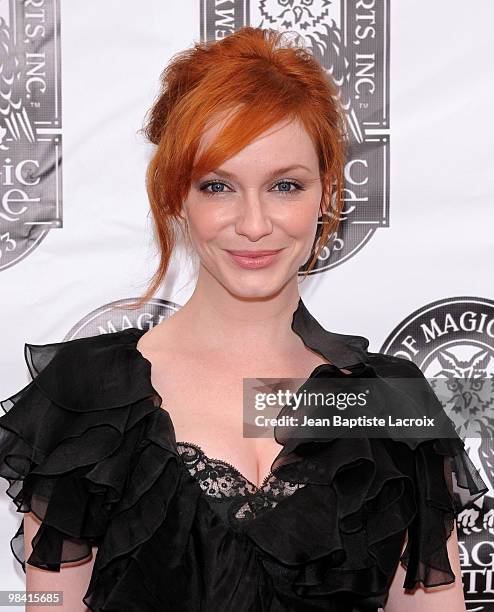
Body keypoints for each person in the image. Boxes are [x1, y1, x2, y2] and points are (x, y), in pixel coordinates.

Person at [0, 26, 487, 612]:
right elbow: (51, 602)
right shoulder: (87, 396)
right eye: (218, 186)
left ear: (326, 193)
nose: (253, 223)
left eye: (285, 185)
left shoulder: (389, 400)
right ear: (177, 197)